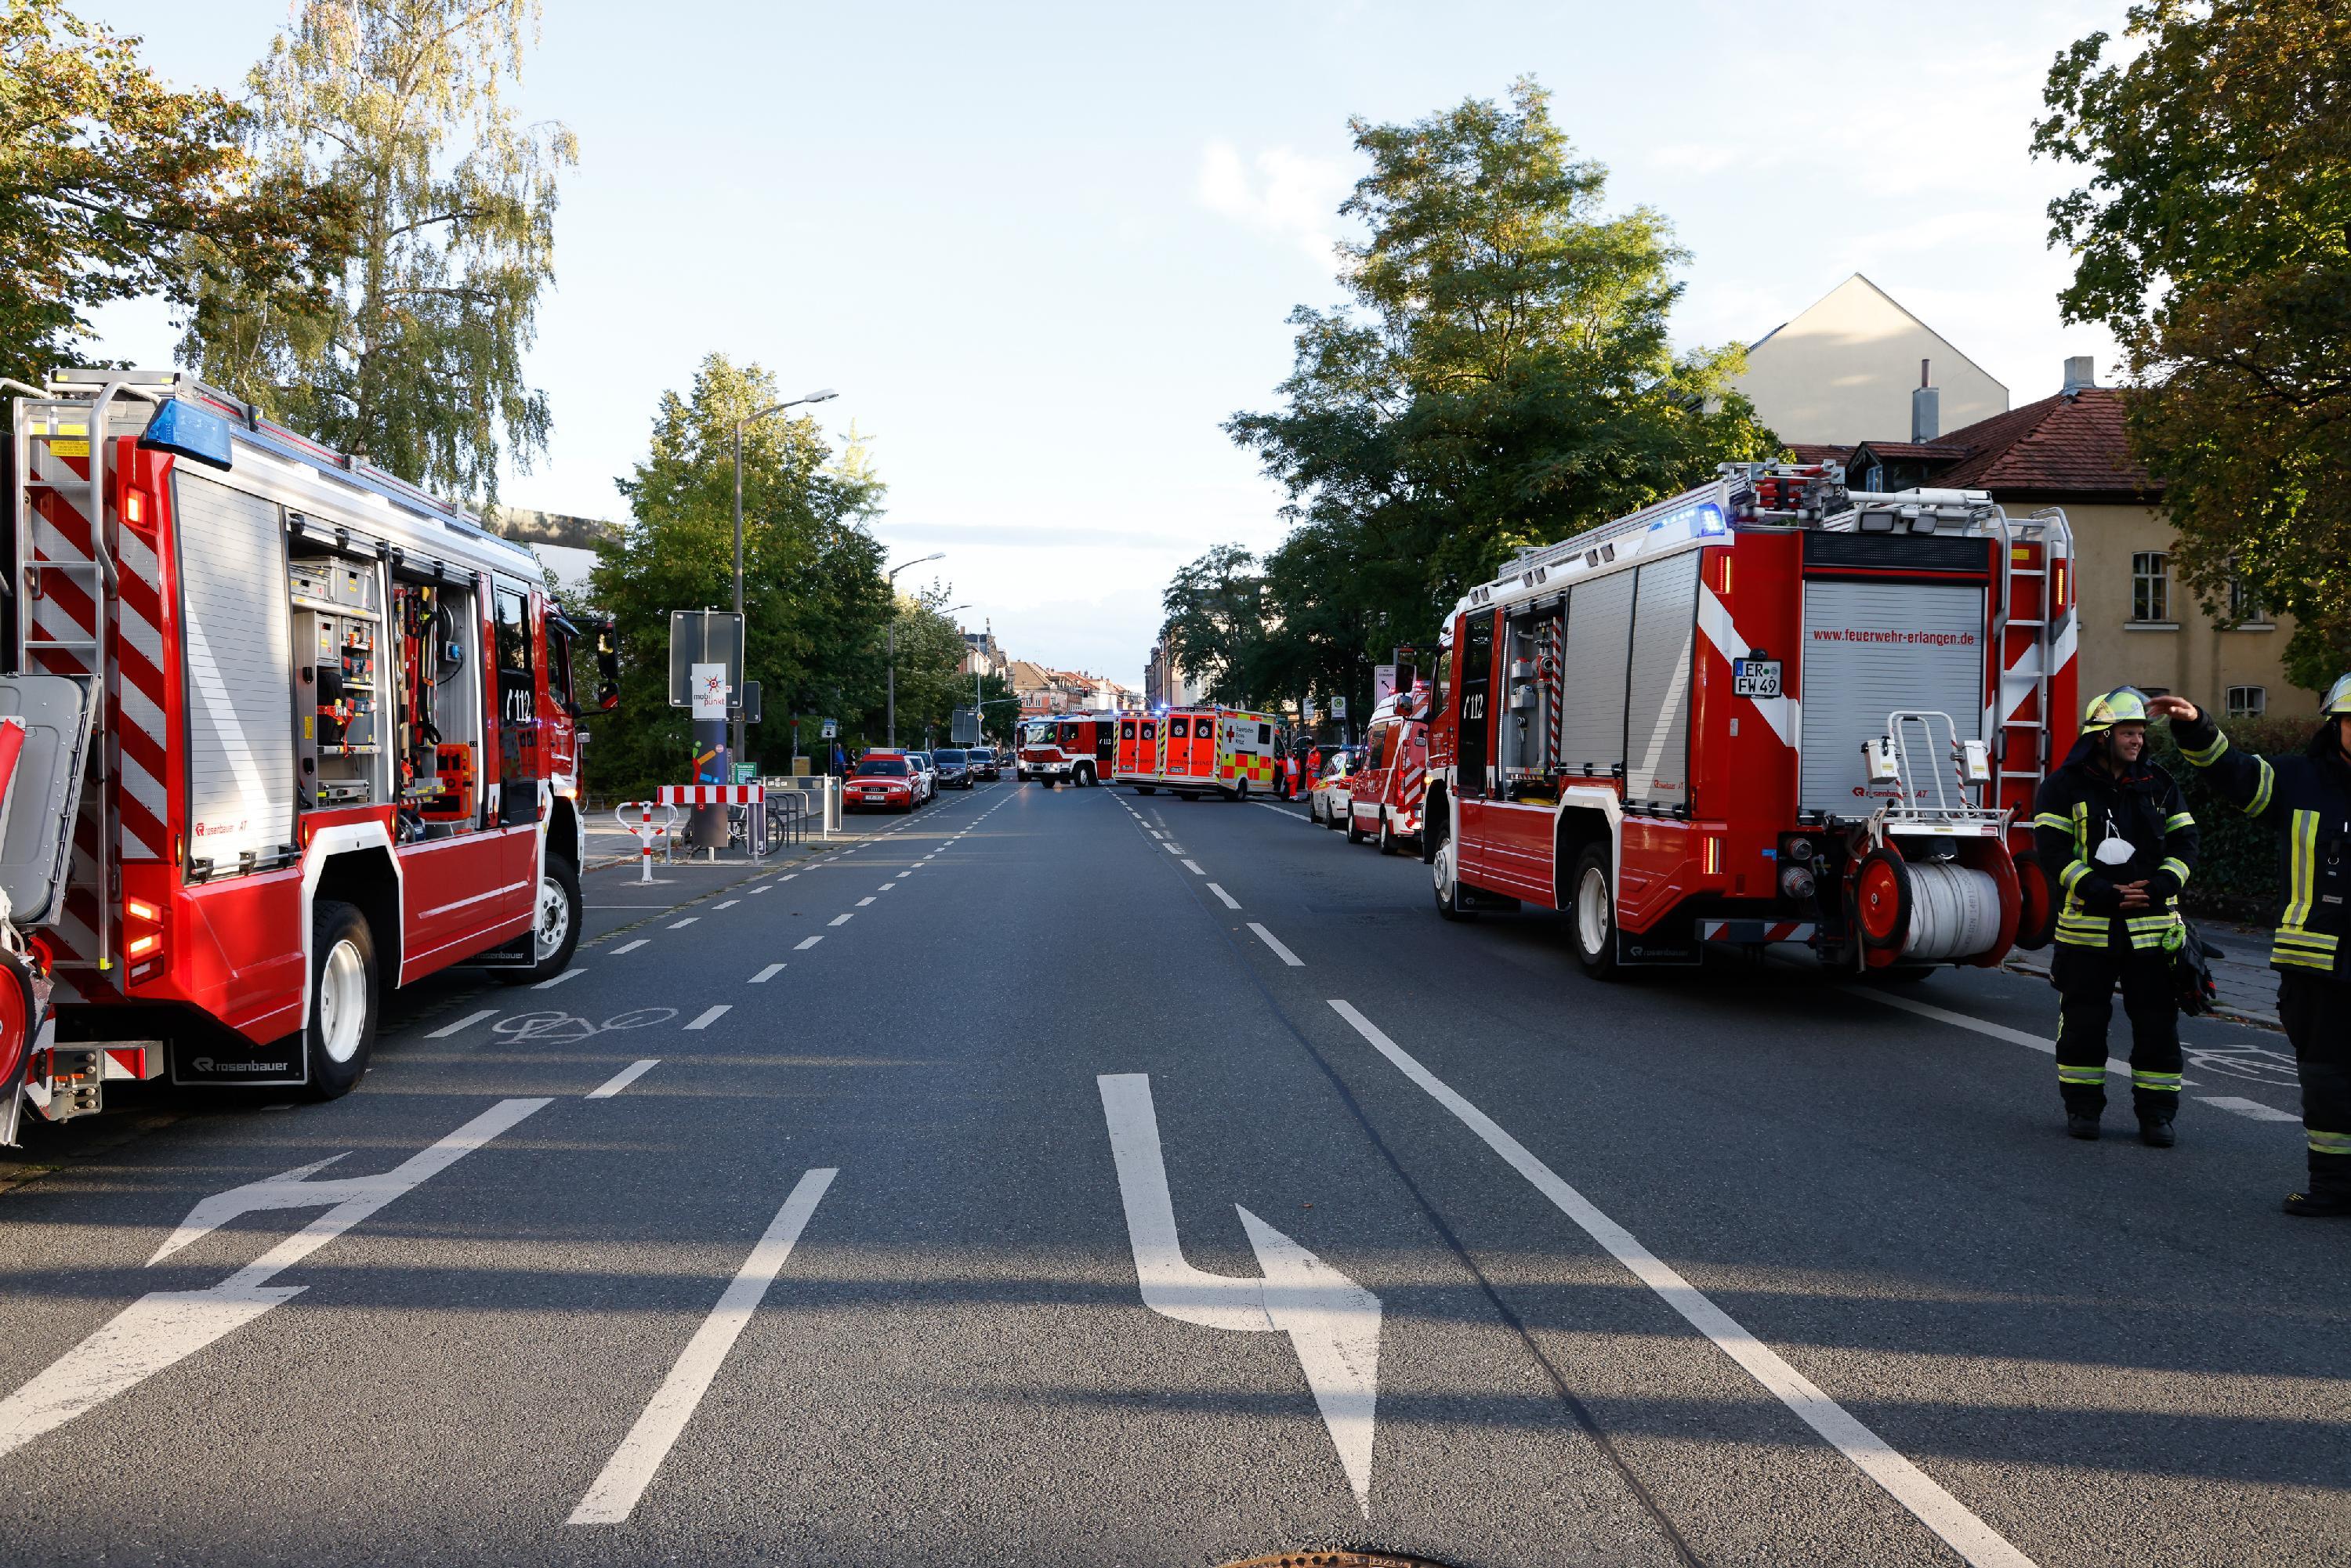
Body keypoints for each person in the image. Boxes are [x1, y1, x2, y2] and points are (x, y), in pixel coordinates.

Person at [2153, 679, 2351, 1216]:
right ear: (2335, 725)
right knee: (2326, 1081)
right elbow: (2232, 771)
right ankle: (2333, 1186)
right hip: (2316, 968)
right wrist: (2194, 724)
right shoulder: (2299, 779)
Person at [2031, 686, 2200, 1146]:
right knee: (2084, 1024)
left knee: (2157, 1026)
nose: (2138, 741)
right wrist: (2100, 891)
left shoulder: (2160, 783)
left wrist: (2163, 884)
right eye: (2128, 732)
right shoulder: (2064, 787)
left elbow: (2186, 844)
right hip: (2088, 929)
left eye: (2141, 733)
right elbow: (2052, 851)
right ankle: (2083, 1110)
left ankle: (2157, 1116)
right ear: (2102, 736)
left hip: (2154, 932)